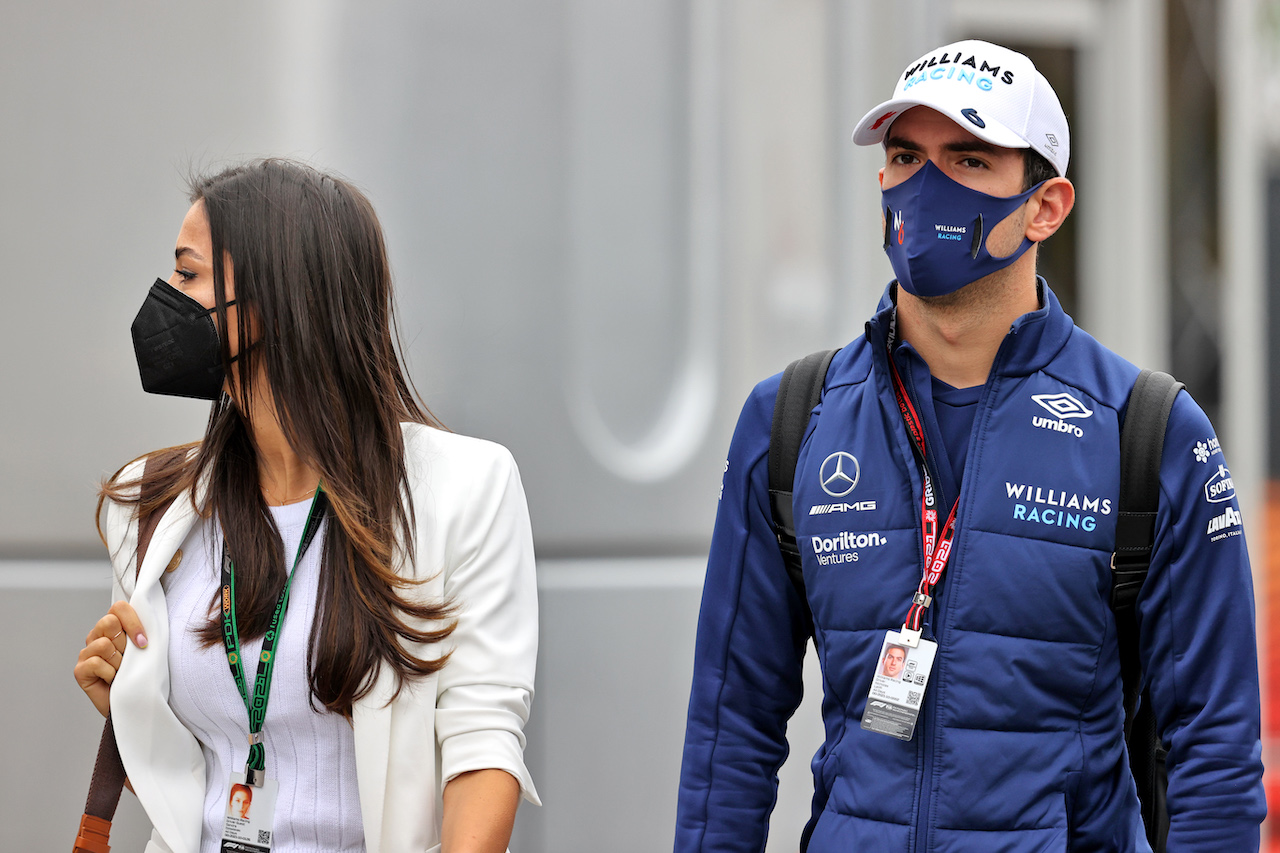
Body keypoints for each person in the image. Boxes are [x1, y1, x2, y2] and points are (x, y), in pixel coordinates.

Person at [675, 40, 1265, 851]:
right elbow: (727, 732)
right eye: (905, 155)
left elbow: (1216, 754)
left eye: (968, 158)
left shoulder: (1149, 432)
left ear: (1046, 205)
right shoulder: (790, 421)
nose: (924, 185)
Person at [72, 159, 540, 853]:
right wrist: (131, 710)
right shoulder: (152, 507)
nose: (166, 297)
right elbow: (190, 787)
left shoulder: (464, 488)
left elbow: (482, 751)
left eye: (190, 273)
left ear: (276, 296)